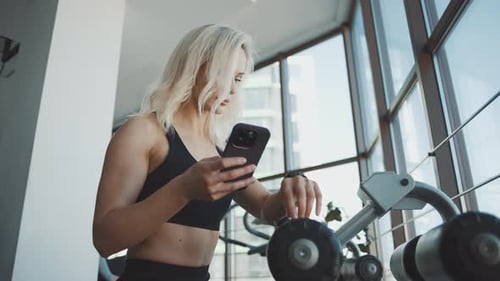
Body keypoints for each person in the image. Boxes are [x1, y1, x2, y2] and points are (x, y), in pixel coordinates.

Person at [92, 24, 323, 281]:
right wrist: (183, 189)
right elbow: (104, 239)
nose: (234, 90)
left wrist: (289, 191)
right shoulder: (143, 131)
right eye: (226, 75)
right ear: (196, 67)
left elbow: (266, 207)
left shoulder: (220, 149)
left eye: (239, 79)